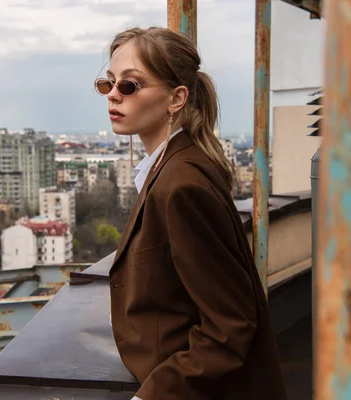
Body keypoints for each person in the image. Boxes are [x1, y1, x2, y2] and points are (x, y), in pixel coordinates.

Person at [95, 26, 287, 400]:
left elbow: (230, 325)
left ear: (176, 98)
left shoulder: (181, 185)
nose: (113, 95)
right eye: (109, 84)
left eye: (130, 86)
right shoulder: (173, 167)